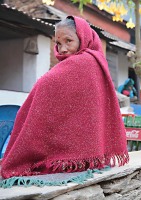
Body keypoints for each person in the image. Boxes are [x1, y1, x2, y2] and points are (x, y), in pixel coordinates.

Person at [0, 16, 129, 179]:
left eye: (69, 41)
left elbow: (47, 84)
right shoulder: (95, 60)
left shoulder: (84, 61)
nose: (62, 49)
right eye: (58, 43)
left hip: (73, 157)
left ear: (83, 38)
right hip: (87, 156)